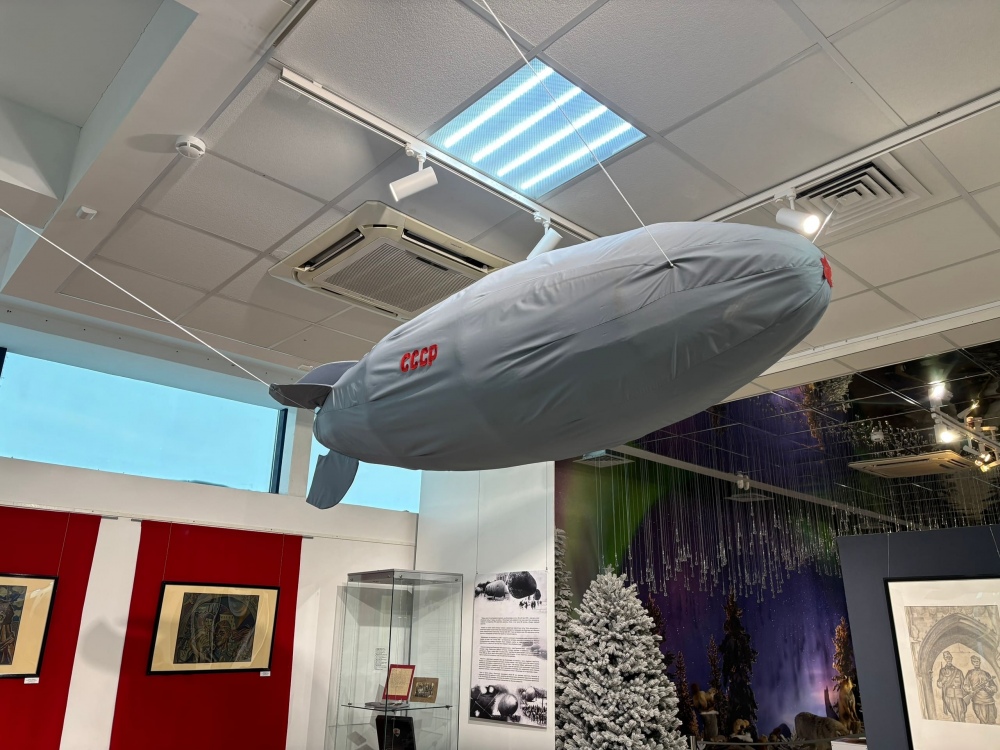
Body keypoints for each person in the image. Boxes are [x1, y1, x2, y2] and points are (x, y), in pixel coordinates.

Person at [964, 655, 998, 725]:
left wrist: (987, 688)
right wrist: (970, 691)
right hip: (977, 700)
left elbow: (994, 688)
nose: (976, 663)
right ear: (972, 663)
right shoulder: (970, 673)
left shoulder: (986, 673)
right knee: (983, 721)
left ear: (980, 662)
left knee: (992, 720)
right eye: (974, 662)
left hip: (989, 700)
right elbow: (965, 685)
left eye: (977, 661)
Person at [937, 651, 967, 721]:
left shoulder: (958, 671)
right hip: (949, 694)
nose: (948, 659)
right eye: (946, 657)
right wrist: (944, 679)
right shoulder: (942, 671)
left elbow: (963, 683)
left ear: (952, 658)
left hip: (958, 694)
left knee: (961, 711)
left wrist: (967, 689)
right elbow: (939, 684)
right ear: (944, 659)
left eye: (949, 657)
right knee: (953, 712)